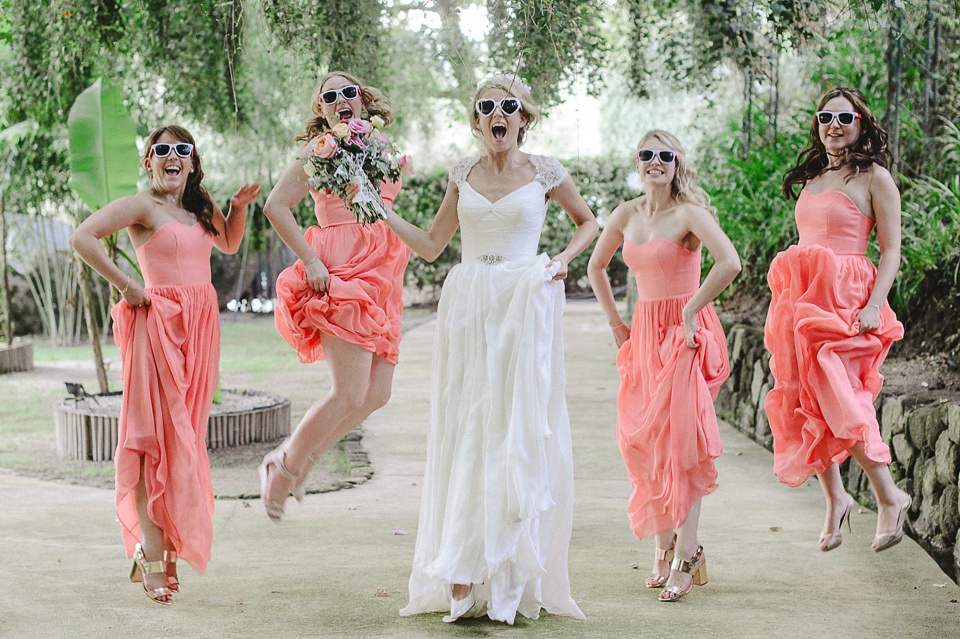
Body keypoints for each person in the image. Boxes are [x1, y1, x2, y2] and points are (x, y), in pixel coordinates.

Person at [382, 74, 597, 624]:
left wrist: (560, 260)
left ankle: (508, 573)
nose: (497, 115)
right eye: (486, 107)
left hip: (524, 304)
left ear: (523, 117)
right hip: (472, 305)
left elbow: (588, 223)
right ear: (477, 120)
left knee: (516, 431)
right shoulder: (462, 173)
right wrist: (382, 213)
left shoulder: (546, 171)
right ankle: (459, 567)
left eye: (508, 107)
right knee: (469, 426)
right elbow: (432, 247)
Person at [70, 125, 259, 604]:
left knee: (184, 441)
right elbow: (82, 237)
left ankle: (164, 552)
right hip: (157, 325)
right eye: (161, 150)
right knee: (152, 439)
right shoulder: (140, 205)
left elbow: (230, 244)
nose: (171, 157)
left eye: (182, 150)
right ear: (148, 161)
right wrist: (128, 286)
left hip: (199, 330)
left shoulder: (199, 203)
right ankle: (150, 557)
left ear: (192, 162)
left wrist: (238, 209)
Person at [588, 130, 740, 601]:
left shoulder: (690, 214)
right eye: (647, 155)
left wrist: (692, 309)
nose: (656, 162)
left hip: (684, 334)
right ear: (637, 162)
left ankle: (686, 553)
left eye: (665, 155)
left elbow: (729, 262)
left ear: (677, 162)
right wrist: (617, 326)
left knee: (682, 442)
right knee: (648, 442)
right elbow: (596, 267)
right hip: (644, 336)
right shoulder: (626, 213)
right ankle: (663, 544)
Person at [259, 71, 411, 521]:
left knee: (376, 393)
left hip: (382, 267)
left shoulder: (381, 148)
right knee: (348, 391)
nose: (341, 100)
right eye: (331, 96)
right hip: (341, 267)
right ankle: (284, 466)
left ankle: (302, 460)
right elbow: (275, 205)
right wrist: (310, 260)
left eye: (349, 93)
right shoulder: (318, 151)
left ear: (361, 102)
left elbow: (381, 205)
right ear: (322, 109)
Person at [764, 87, 910, 552]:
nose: (834, 125)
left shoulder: (875, 178)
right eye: (825, 117)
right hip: (803, 298)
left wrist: (873, 305)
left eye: (844, 118)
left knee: (841, 396)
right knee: (805, 398)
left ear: (861, 123)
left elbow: (891, 251)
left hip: (848, 298)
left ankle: (890, 497)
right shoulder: (813, 177)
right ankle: (836, 497)